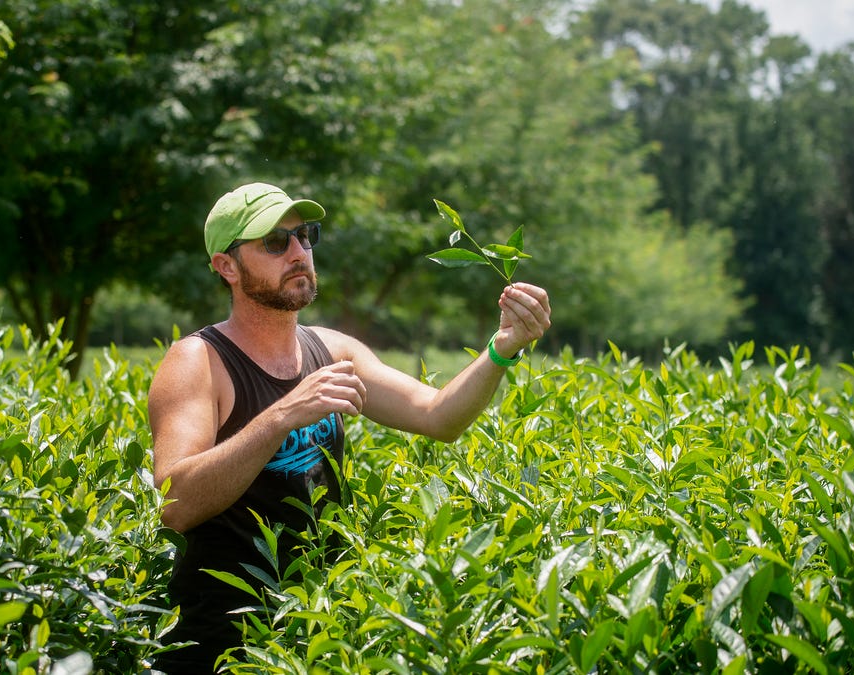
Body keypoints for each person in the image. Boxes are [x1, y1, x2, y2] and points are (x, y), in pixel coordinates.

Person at [147, 182, 551, 673]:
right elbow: (175, 504)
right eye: (275, 242)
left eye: (305, 235)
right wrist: (283, 414)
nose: (298, 252)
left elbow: (438, 416)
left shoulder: (331, 349)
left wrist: (502, 348)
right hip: (223, 643)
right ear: (226, 266)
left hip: (318, 632)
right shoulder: (197, 362)